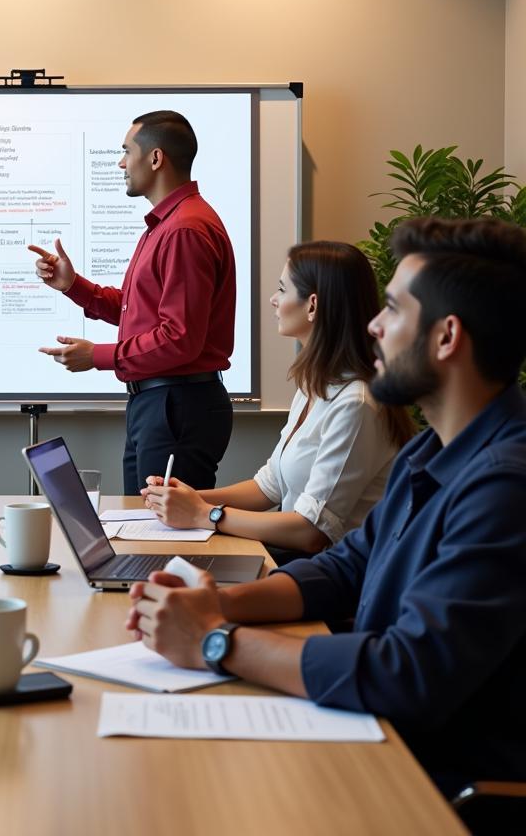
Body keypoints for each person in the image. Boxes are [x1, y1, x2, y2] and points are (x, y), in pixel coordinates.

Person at [126, 217, 526, 797]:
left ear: (446, 338)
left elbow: (408, 672)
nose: (374, 326)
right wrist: (218, 601)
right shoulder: (434, 451)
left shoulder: (503, 488)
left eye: (393, 311)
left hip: (428, 783)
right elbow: (344, 567)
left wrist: (218, 639)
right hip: (374, 736)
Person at [143, 242, 415, 560]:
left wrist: (204, 515)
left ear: (312, 306)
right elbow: (269, 486)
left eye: (282, 289)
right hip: (301, 563)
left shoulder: (356, 404)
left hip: (335, 578)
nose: (273, 299)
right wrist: (188, 500)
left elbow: (311, 532)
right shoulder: (316, 384)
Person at [30, 110, 236, 496]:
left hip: (176, 404)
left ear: (156, 158)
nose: (122, 163)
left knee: (162, 536)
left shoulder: (184, 229)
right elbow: (138, 309)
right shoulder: (169, 224)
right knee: (144, 526)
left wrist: (99, 356)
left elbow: (179, 337)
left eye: (127, 152)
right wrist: (73, 286)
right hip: (160, 404)